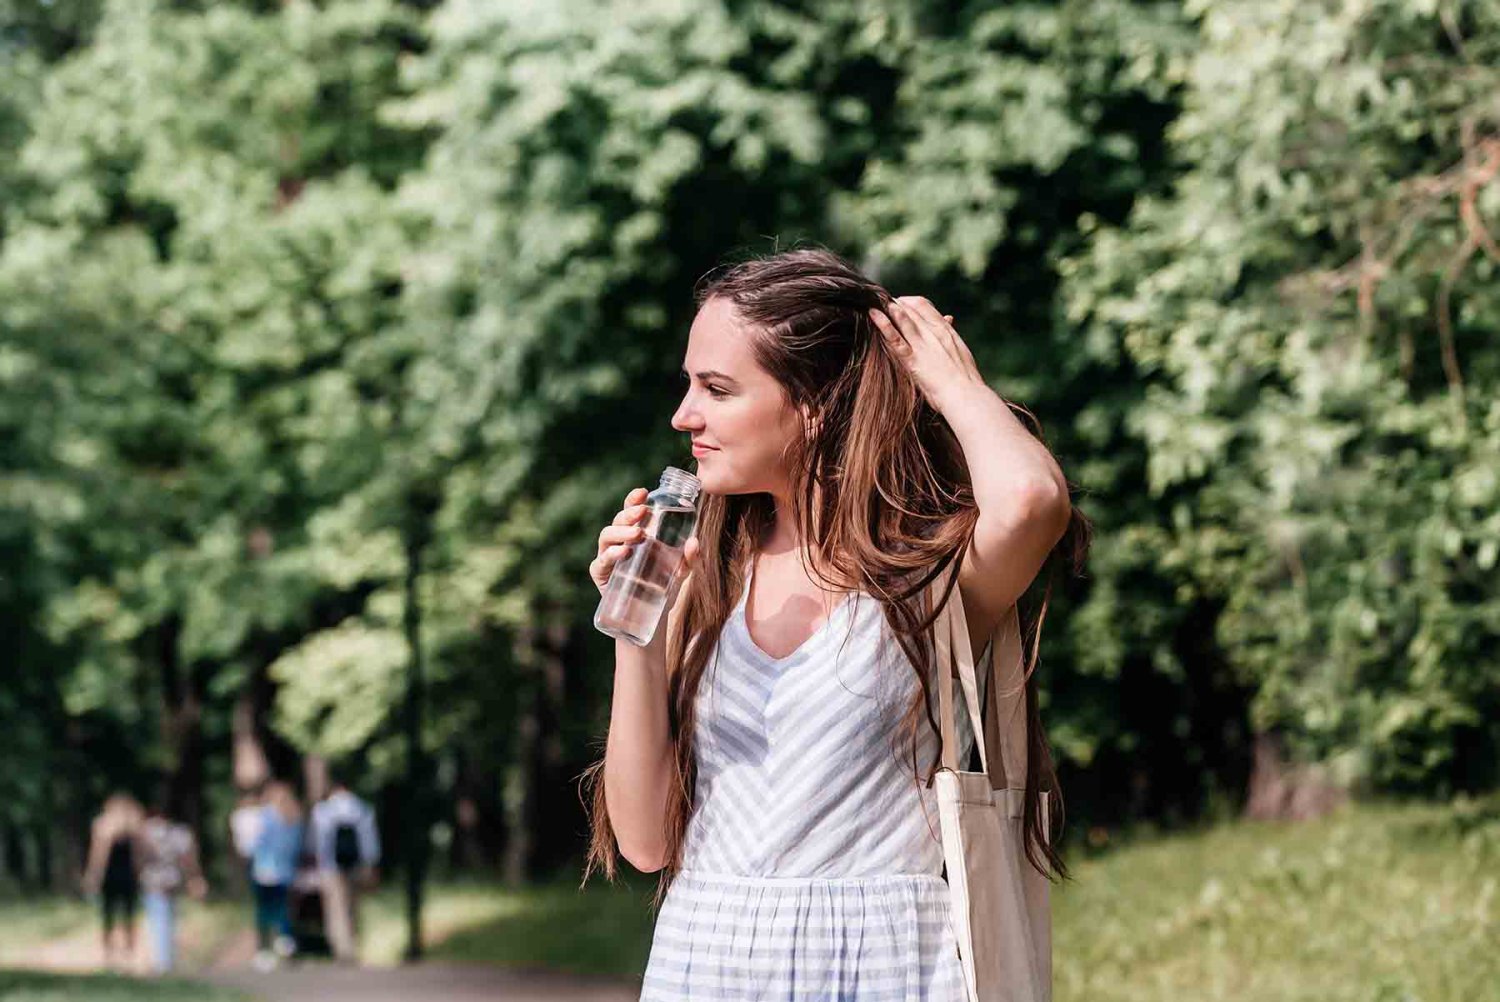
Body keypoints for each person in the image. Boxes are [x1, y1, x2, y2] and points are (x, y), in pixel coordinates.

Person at [580, 248, 1087, 999]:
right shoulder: (704, 575)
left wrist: (950, 380)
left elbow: (1033, 502)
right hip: (705, 959)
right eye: (689, 385)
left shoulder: (925, 579)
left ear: (815, 405)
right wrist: (636, 625)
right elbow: (648, 842)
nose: (683, 415)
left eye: (716, 389)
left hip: (883, 964)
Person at [309, 775, 380, 964]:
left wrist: (319, 865)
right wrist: (370, 865)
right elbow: (369, 840)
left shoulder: (323, 811)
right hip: (357, 865)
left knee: (335, 909)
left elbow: (318, 842)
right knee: (353, 906)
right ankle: (354, 945)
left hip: (331, 867)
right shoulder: (362, 808)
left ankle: (342, 949)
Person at [137, 798, 207, 974]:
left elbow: (139, 858)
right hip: (172, 882)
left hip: (153, 883)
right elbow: (189, 859)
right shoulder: (181, 833)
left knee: (158, 921)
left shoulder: (145, 832)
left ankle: (163, 963)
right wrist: (194, 878)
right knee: (168, 921)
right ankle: (166, 960)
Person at [82, 793, 144, 969]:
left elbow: (98, 856)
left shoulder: (102, 826)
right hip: (129, 877)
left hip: (110, 877)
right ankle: (128, 953)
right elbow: (139, 857)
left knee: (108, 916)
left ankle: (109, 954)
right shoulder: (135, 828)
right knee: (129, 916)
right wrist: (139, 875)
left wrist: (93, 876)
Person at [249, 781, 304, 971]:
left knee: (264, 911)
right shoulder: (293, 818)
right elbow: (296, 848)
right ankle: (285, 941)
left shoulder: (265, 817)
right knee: (282, 909)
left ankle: (264, 951)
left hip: (264, 871)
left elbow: (255, 844)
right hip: (286, 872)